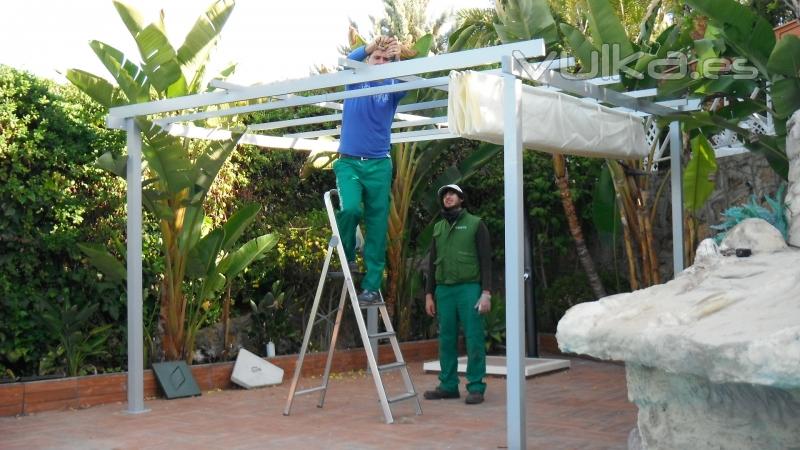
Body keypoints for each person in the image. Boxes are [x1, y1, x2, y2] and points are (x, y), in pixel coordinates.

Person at [334, 35, 405, 304]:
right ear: (369, 60)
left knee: (376, 227)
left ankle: (372, 287)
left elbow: (408, 79)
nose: (381, 62)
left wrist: (397, 59)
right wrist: (370, 47)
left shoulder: (393, 87)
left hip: (379, 165)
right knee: (350, 208)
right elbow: (346, 61)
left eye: (386, 60)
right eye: (377, 58)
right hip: (349, 161)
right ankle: (349, 257)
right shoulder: (355, 78)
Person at [423, 184, 492, 405]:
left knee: (474, 337)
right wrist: (429, 295)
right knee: (446, 339)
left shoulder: (475, 224)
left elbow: (486, 261)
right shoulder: (438, 228)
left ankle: (475, 386)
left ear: (461, 199)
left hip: (469, 288)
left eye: (452, 194)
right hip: (444, 290)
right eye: (444, 195)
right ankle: (448, 385)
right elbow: (432, 264)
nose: (448, 197)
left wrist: (486, 292)